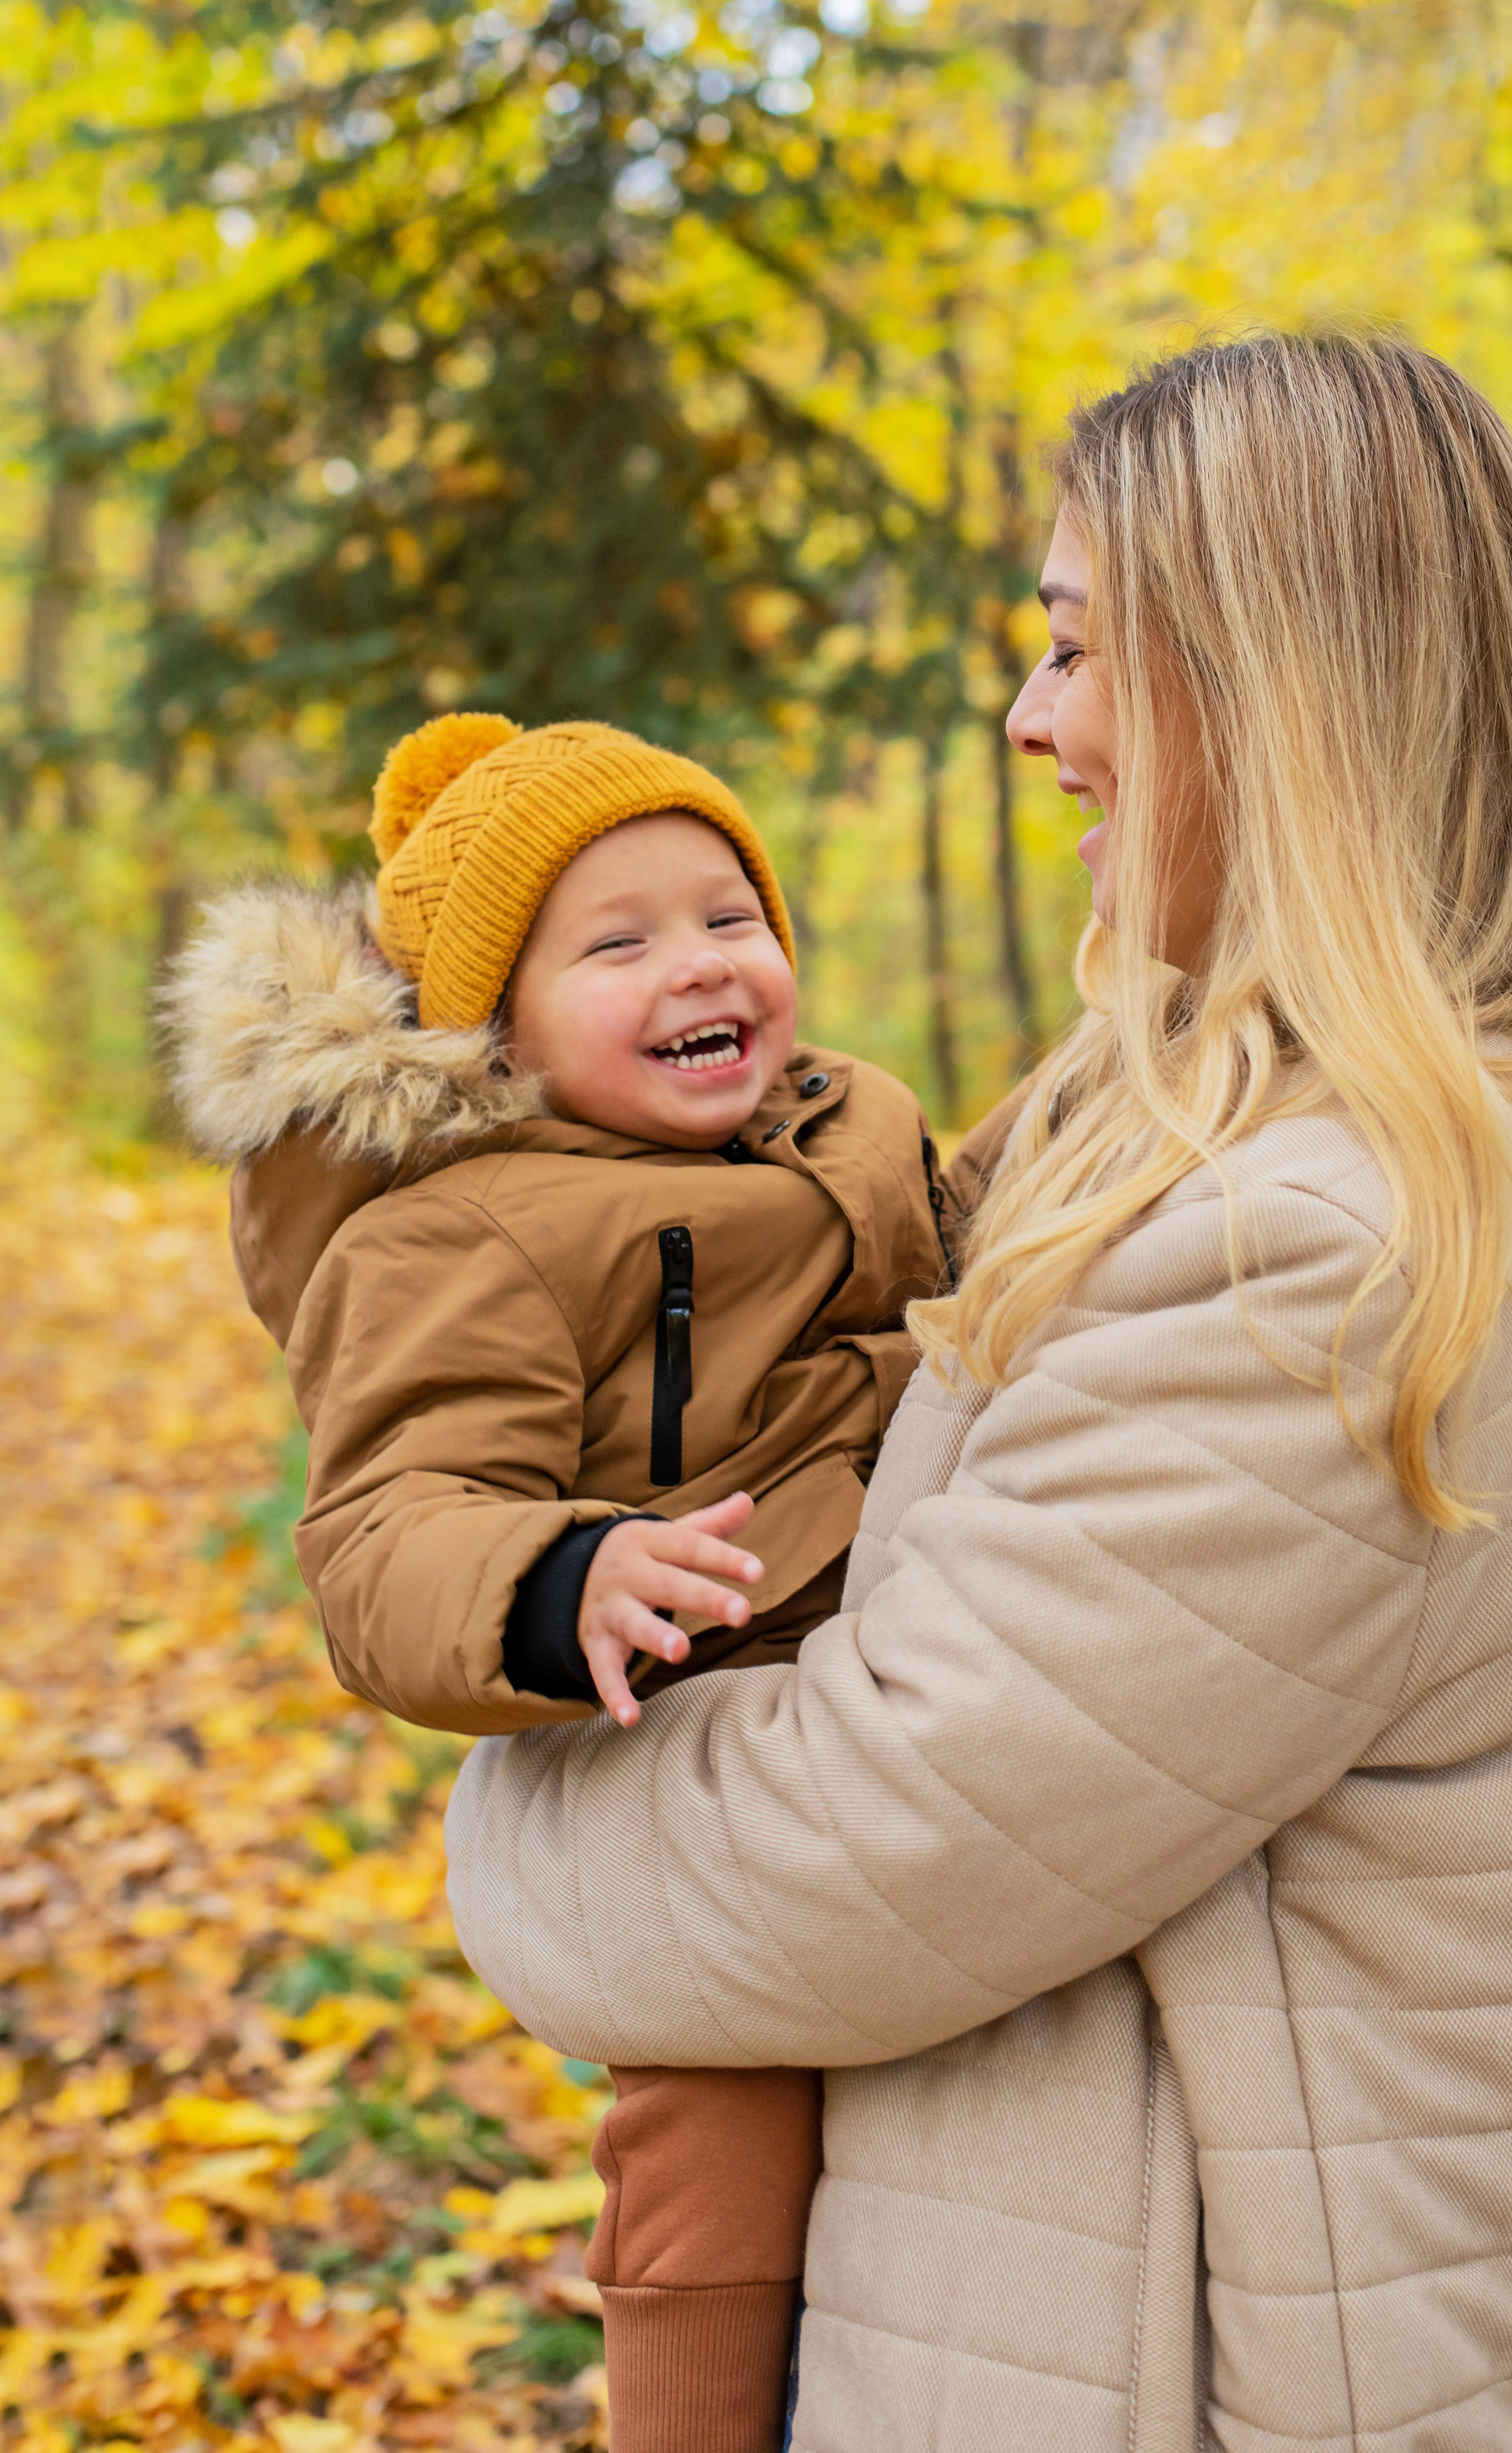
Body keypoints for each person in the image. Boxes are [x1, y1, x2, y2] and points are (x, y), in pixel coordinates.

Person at [446, 332, 1512, 2453]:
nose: (1033, 720)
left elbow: (859, 1851)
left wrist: (512, 1808)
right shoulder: (1219, 1139)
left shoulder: (1328, 1238)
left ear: (1277, 693)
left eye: (1082, 649)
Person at [168, 715, 961, 2453]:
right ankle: (687, 2424)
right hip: (703, 1711)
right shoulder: (468, 1237)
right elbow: (390, 1523)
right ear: (489, 1035)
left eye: (728, 914)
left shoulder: (852, 1118)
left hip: (916, 1646)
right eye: (618, 944)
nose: (702, 965)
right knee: (715, 2122)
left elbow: (981, 1248)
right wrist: (563, 1571)